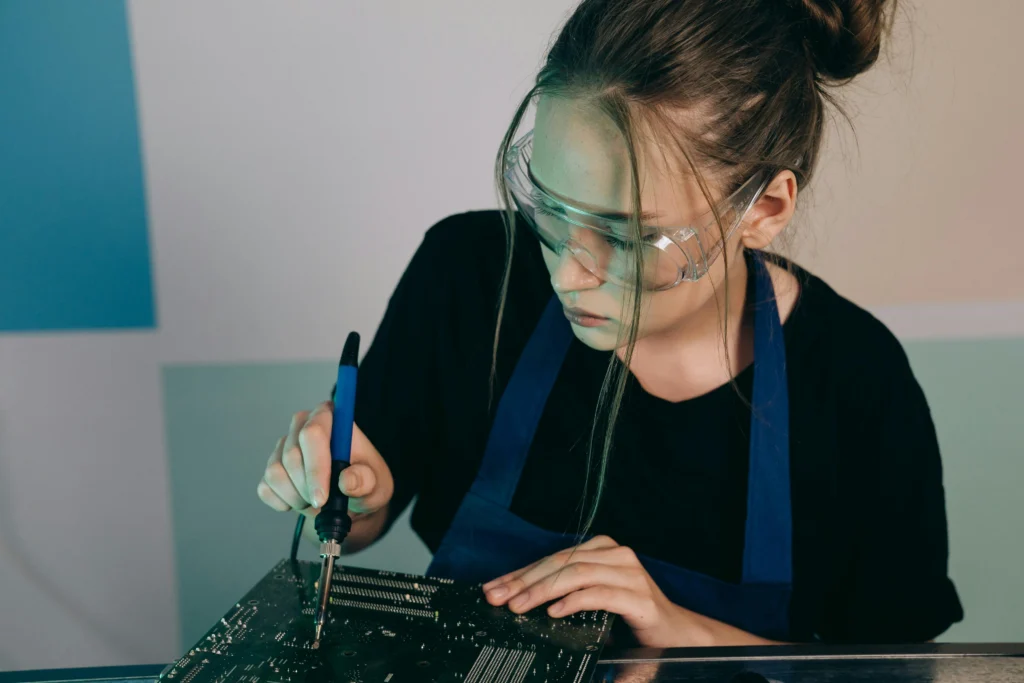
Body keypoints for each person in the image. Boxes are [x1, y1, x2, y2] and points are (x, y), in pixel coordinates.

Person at [257, 0, 964, 647]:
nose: (568, 273)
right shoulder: (469, 276)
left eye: (626, 238)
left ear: (764, 209)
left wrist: (678, 629)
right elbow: (360, 516)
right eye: (552, 211)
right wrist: (344, 489)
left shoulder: (857, 381)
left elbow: (896, 667)